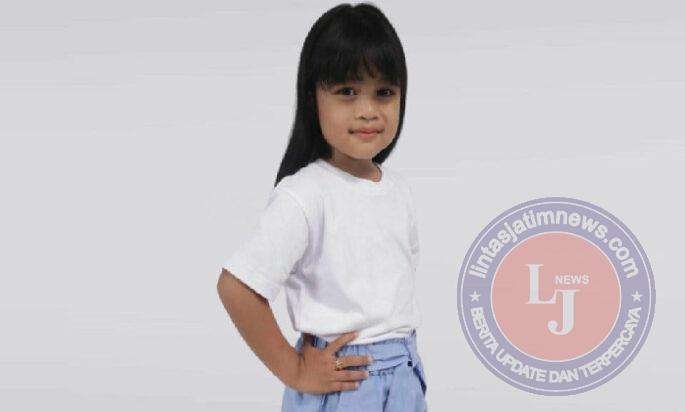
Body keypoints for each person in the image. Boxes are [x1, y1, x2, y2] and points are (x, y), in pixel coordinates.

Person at [216, 3, 427, 410]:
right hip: (345, 382)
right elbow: (237, 287)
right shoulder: (305, 195)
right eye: (347, 92)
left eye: (384, 92)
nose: (368, 111)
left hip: (405, 374)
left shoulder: (398, 191)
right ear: (313, 98)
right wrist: (295, 370)